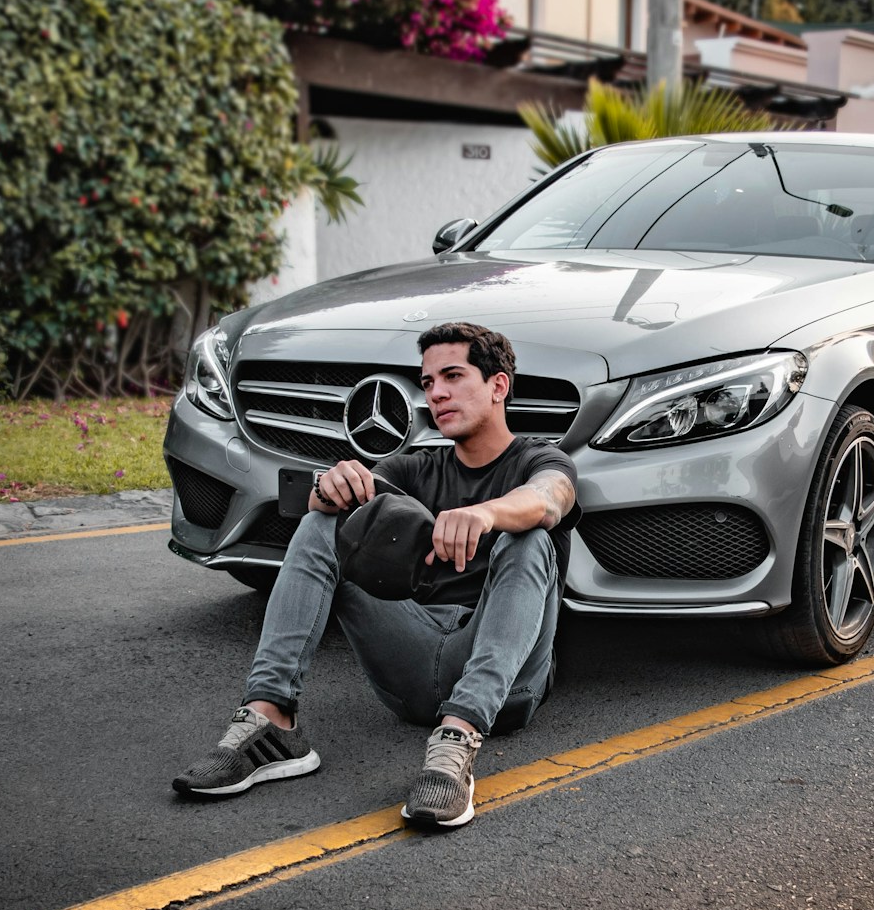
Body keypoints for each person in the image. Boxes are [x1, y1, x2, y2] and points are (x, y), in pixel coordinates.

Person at [172, 322, 579, 828]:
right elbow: (335, 499)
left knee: (532, 537)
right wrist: (331, 488)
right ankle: (271, 721)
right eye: (429, 382)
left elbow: (549, 498)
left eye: (453, 375)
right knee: (325, 525)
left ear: (499, 386)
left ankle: (456, 745)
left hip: (505, 682)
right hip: (409, 661)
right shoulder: (413, 469)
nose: (437, 393)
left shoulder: (541, 459)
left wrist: (487, 514)